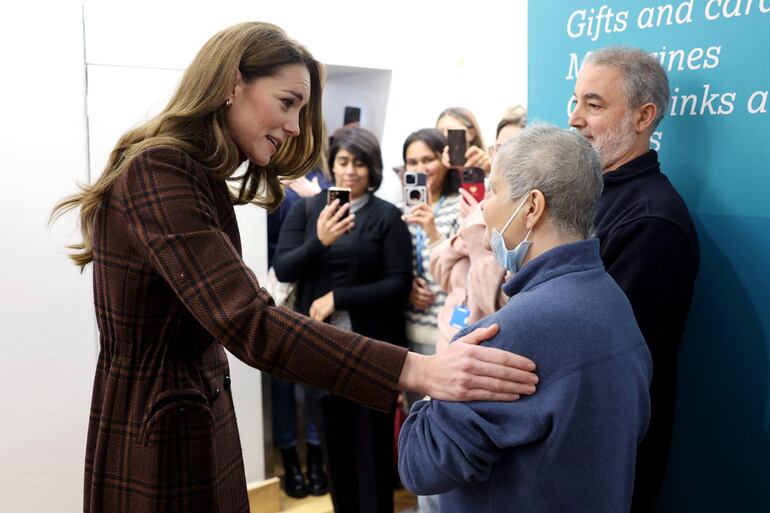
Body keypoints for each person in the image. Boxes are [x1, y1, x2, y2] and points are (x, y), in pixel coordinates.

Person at [50, 22, 539, 513]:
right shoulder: (160, 171)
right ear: (230, 85)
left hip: (189, 415)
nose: (294, 125)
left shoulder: (191, 175)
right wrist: (418, 370)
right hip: (159, 434)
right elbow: (250, 321)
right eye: (287, 103)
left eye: (301, 110)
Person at [398, 124, 652, 513]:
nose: (483, 206)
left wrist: (439, 377)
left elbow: (420, 466)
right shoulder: (614, 301)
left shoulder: (508, 331)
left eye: (495, 190)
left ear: (532, 207)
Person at [569, 46, 700, 513]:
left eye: (594, 104)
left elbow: (600, 355)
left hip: (604, 457)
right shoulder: (589, 196)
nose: (574, 119)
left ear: (645, 116)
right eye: (576, 101)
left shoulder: (652, 221)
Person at [274, 127, 411, 513]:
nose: (350, 171)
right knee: (336, 455)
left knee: (373, 455)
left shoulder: (387, 216)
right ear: (331, 165)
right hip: (322, 353)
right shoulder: (306, 209)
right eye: (343, 162)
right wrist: (320, 241)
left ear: (372, 169)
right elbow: (283, 269)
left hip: (372, 352)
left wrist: (339, 297)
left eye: (359, 163)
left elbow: (398, 284)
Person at [430, 107, 528, 348]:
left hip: (486, 348)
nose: (502, 157)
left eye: (512, 148)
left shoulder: (528, 218)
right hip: (449, 339)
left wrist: (475, 231)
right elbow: (441, 270)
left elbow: (498, 297)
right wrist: (459, 242)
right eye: (498, 148)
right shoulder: (483, 202)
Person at [266, 137, 331, 499]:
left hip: (318, 290)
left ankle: (317, 456)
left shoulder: (323, 177)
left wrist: (312, 197)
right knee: (281, 381)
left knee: (316, 375)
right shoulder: (265, 176)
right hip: (279, 289)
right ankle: (290, 457)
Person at [401, 129, 462, 358]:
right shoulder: (399, 211)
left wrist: (433, 233)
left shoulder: (461, 206)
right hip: (406, 332)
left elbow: (464, 272)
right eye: (412, 162)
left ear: (444, 162)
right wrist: (406, 286)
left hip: (450, 332)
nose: (420, 169)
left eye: (428, 160)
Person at [436, 106, 492, 174]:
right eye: (440, 132)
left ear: (471, 133)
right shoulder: (435, 168)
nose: (445, 136)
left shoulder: (486, 166)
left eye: (451, 131)